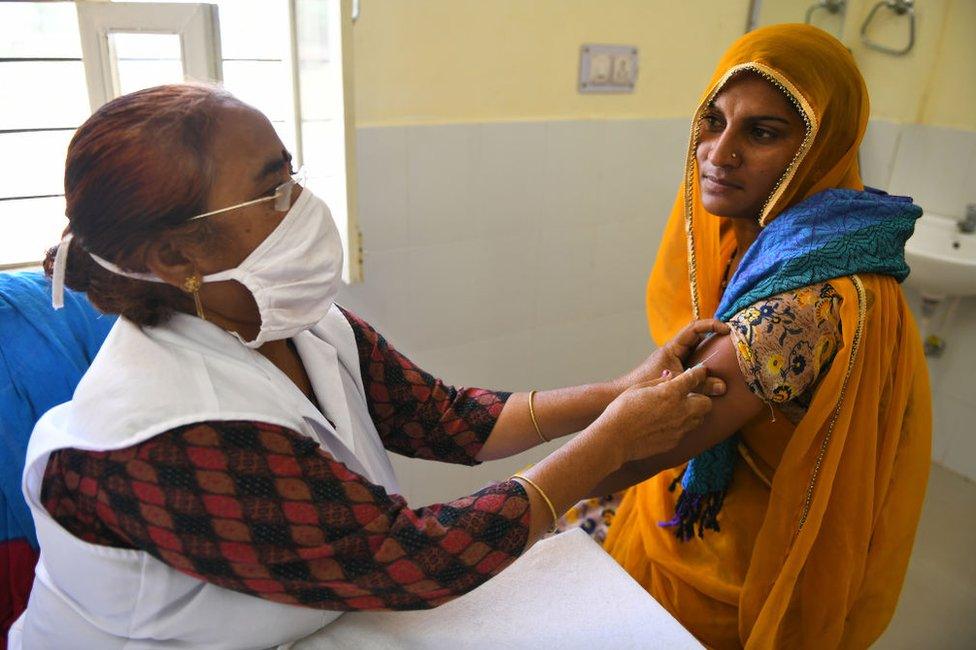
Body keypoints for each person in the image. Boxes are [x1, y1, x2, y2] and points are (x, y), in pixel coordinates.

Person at [9, 83, 730, 649]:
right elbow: (405, 560)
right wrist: (614, 441)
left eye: (291, 174)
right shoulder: (165, 435)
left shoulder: (293, 319)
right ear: (175, 257)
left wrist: (620, 392)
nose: (302, 206)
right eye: (271, 192)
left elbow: (450, 419)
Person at [559, 24, 931, 648]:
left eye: (762, 132)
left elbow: (651, 443)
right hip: (685, 522)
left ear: (820, 146)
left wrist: (501, 504)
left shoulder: (801, 304)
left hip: (726, 576)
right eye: (714, 121)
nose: (718, 152)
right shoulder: (763, 240)